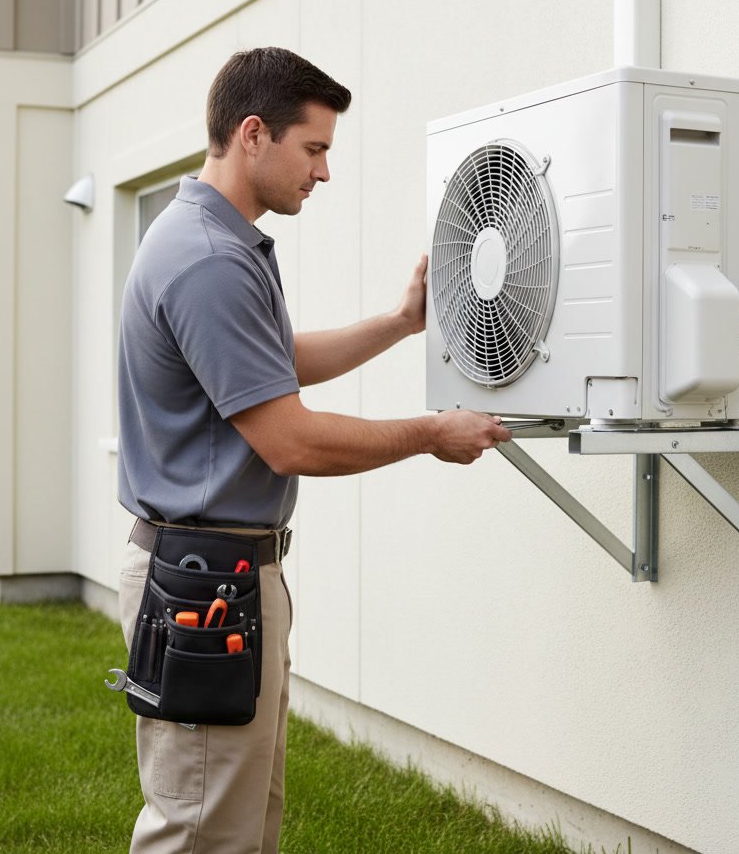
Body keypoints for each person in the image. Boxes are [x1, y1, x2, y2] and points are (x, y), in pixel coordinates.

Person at [116, 46, 510, 853]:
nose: (324, 173)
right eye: (316, 148)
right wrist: (432, 434)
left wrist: (401, 324)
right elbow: (289, 439)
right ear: (254, 134)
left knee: (242, 823)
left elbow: (275, 362)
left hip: (220, 576)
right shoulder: (210, 260)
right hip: (205, 583)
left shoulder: (212, 238)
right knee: (199, 832)